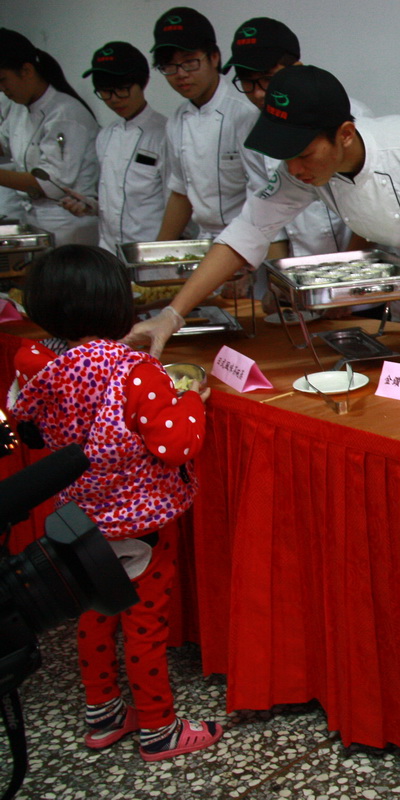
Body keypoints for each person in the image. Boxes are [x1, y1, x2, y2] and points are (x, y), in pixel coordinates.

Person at [127, 65, 400, 356]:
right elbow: (246, 232)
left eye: (303, 154)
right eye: (286, 156)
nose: (294, 169)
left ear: (345, 134)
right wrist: (174, 314)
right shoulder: (302, 172)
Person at [8, 244, 222, 761]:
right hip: (137, 525)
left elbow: (31, 433)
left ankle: (103, 714)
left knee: (93, 615)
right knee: (144, 625)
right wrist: (193, 399)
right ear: (118, 305)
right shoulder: (134, 372)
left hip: (77, 517)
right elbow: (175, 445)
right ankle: (158, 727)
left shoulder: (35, 364)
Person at [224, 16, 373, 259]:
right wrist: (280, 279)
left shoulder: (350, 116)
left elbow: (370, 209)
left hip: (354, 257)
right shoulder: (249, 130)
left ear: (297, 67)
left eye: (268, 79)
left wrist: (344, 272)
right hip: (299, 260)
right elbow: (265, 215)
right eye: (248, 82)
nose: (260, 93)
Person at [150, 7, 276, 248]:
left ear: (214, 57)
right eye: (169, 67)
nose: (181, 75)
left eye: (190, 63)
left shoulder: (246, 112)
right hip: (206, 241)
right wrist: (156, 254)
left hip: (254, 240)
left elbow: (268, 198)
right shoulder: (177, 120)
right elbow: (180, 193)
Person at [58, 42, 171, 255]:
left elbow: (176, 204)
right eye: (105, 92)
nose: (114, 100)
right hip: (110, 251)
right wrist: (89, 206)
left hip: (151, 252)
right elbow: (116, 200)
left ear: (143, 82)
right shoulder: (106, 136)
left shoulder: (164, 134)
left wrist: (162, 252)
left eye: (122, 90)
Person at [0, 29, 100, 246]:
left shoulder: (65, 114)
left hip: (69, 225)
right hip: (36, 221)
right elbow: (5, 144)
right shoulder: (20, 108)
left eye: (3, 80)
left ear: (26, 70)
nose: (2, 89)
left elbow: (50, 183)